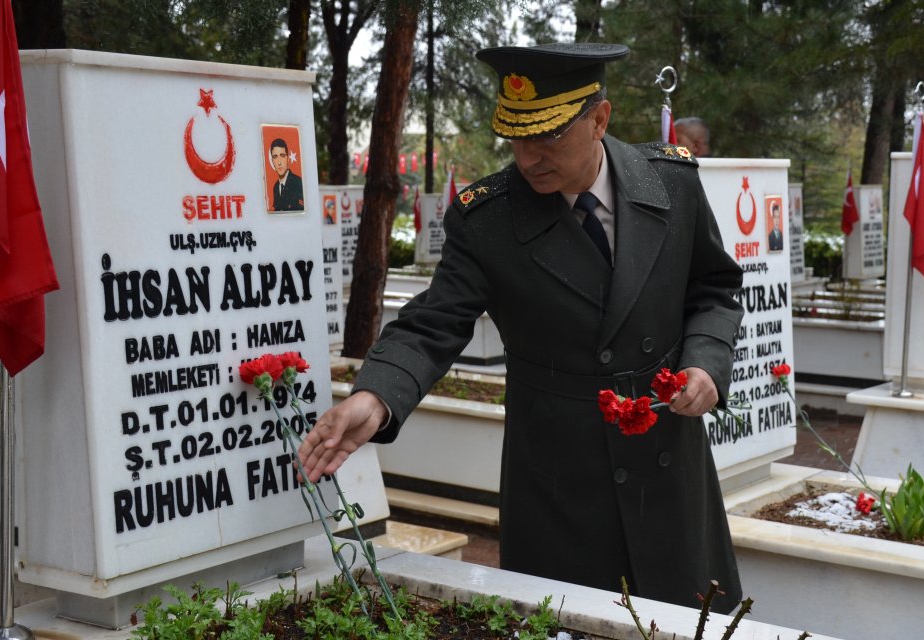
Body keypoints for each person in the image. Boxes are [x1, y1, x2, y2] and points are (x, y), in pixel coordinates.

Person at [299, 42, 744, 612]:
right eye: (516, 137)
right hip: (560, 483)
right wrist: (376, 395)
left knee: (688, 619)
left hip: (668, 466)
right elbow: (435, 320)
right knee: (568, 621)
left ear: (599, 120)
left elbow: (713, 287)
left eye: (548, 136)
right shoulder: (489, 218)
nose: (529, 157)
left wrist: (705, 362)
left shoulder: (671, 183)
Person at [269, 138, 304, 211]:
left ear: (287, 158)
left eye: (282, 156)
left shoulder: (298, 183)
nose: (279, 162)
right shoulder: (276, 187)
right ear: (272, 161)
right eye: (275, 157)